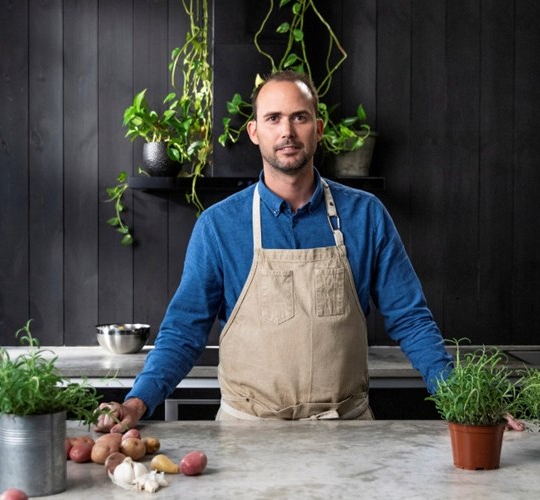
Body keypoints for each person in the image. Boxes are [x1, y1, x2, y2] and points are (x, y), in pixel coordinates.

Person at [95, 70, 453, 430]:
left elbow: (411, 319)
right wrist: (138, 402)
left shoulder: (365, 215)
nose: (287, 131)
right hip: (247, 435)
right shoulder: (219, 226)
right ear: (255, 132)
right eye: (273, 118)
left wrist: (462, 400)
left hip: (346, 432)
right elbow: (184, 331)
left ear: (319, 127)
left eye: (300, 117)